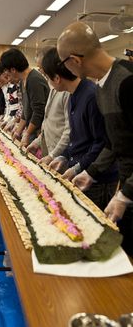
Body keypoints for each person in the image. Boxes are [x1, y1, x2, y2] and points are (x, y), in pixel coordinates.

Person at [57, 21, 133, 256]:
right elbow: (113, 140)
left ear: (75, 60)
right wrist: (91, 173)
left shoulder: (128, 82)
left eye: (65, 64)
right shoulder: (101, 87)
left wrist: (125, 194)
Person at [42, 47, 119, 211]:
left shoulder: (91, 96)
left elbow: (102, 143)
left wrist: (77, 168)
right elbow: (76, 137)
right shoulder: (73, 93)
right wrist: (63, 157)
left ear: (57, 78)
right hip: (82, 171)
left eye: (47, 78)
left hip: (98, 178)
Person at [27, 46, 70, 165]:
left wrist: (53, 156)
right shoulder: (53, 85)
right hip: (50, 150)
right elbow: (48, 121)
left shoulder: (66, 90)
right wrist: (37, 142)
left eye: (41, 68)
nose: (41, 71)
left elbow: (68, 129)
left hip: (61, 156)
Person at [0, 48, 50, 147]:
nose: (7, 74)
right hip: (32, 129)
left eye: (7, 71)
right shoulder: (23, 80)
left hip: (38, 131)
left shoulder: (34, 79)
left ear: (13, 69)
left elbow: (38, 112)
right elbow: (26, 110)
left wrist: (27, 135)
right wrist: (18, 131)